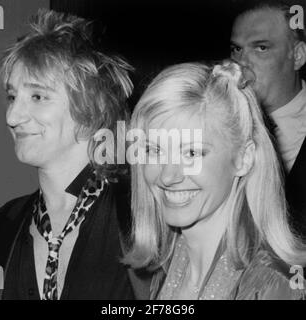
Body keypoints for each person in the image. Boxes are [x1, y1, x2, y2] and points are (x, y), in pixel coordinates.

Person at [0, 9, 149, 300]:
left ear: (92, 108)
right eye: (13, 97)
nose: (12, 116)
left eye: (37, 96)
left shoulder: (143, 217)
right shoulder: (1, 227)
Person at [124, 60, 306, 300]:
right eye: (154, 150)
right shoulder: (162, 268)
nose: (168, 176)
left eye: (192, 153)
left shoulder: (272, 286)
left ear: (243, 158)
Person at [230, 0, 306, 237]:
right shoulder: (217, 123)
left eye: (261, 48)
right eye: (237, 49)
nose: (242, 63)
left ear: (298, 55)